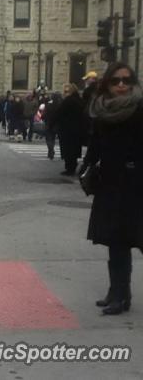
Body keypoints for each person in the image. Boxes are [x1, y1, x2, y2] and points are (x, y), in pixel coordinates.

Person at [81, 62, 143, 315]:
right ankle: (118, 292)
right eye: (116, 80)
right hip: (109, 182)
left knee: (134, 237)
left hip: (136, 184)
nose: (121, 85)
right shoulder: (101, 111)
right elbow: (96, 144)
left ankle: (120, 293)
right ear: (107, 83)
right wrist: (86, 165)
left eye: (126, 81)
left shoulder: (139, 109)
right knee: (116, 241)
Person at [52, 83, 84, 175]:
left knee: (68, 149)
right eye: (64, 92)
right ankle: (72, 166)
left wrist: (51, 124)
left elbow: (58, 113)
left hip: (67, 129)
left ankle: (70, 168)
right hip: (77, 129)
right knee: (74, 149)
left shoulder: (68, 101)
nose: (64, 93)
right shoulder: (79, 100)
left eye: (66, 91)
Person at [42, 91, 62, 159]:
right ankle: (51, 150)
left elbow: (45, 114)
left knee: (48, 138)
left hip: (49, 123)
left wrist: (43, 117)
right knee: (52, 137)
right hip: (56, 124)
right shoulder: (61, 105)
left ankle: (50, 149)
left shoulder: (49, 105)